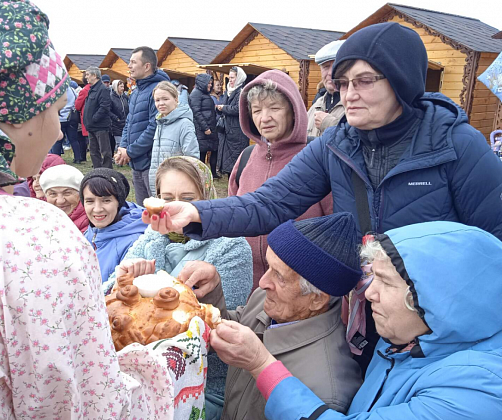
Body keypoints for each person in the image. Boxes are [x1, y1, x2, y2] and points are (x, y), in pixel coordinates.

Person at [142, 22, 502, 371]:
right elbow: (272, 201)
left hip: (442, 327)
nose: (349, 95)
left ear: (401, 81)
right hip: (365, 309)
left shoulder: (456, 144)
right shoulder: (337, 143)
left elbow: (494, 241)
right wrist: (197, 213)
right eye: (343, 83)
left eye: (364, 81)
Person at [0, 1, 209, 418]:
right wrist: (166, 364)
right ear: (17, 118)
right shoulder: (31, 232)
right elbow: (82, 401)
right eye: (54, 107)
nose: (57, 125)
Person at [211, 221, 502, 420]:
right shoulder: (400, 339)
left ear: (437, 300)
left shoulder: (477, 390)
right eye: (372, 277)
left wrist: (261, 365)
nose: (368, 293)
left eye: (385, 283)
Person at [110, 156, 252, 420]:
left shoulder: (231, 246)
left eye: (187, 198)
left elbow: (224, 333)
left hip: (204, 381)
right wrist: (123, 283)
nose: (175, 206)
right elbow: (108, 300)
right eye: (167, 197)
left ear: (206, 197)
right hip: (138, 374)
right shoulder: (153, 236)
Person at [196, 213, 363, 420]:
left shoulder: (326, 392)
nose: (262, 283)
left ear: (317, 299)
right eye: (269, 267)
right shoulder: (273, 300)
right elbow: (234, 326)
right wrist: (210, 291)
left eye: (279, 276)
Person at [231, 70, 333, 290]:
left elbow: (333, 226)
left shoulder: (317, 158)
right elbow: (231, 217)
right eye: (256, 110)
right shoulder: (246, 158)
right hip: (246, 286)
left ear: (293, 111)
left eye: (274, 108)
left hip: (298, 290)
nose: (264, 118)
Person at [116, 46, 169, 205]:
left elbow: (154, 127)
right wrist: (123, 147)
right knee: (142, 210)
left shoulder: (159, 91)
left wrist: (130, 151)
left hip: (151, 163)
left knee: (157, 209)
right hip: (136, 162)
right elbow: (129, 123)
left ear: (147, 66)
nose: (129, 66)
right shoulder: (137, 91)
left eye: (133, 62)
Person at [81, 168, 146, 283]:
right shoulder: (91, 232)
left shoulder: (133, 244)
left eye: (106, 200)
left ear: (119, 203)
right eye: (90, 201)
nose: (97, 209)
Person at [149, 81, 199, 196]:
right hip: (159, 183)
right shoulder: (160, 123)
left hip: (176, 187)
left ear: (176, 99)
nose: (161, 103)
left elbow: (192, 157)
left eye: (165, 99)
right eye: (157, 100)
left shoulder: (184, 124)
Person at [307, 40, 346, 140]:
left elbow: (359, 143)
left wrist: (329, 123)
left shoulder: (356, 105)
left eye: (336, 67)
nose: (330, 73)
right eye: (326, 67)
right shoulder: (315, 106)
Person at [216, 66, 249, 176]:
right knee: (228, 160)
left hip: (237, 131)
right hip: (227, 130)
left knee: (236, 160)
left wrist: (223, 108)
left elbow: (238, 109)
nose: (230, 80)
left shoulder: (242, 92)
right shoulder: (228, 91)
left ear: (239, 78)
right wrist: (220, 108)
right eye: (229, 77)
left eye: (232, 77)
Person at [39, 164, 88, 233]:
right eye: (53, 194)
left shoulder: (93, 223)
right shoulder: (38, 219)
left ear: (81, 194)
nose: (60, 201)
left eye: (67, 193)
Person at [189, 73, 220, 178]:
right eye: (209, 83)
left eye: (211, 83)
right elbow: (196, 112)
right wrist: (205, 127)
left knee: (214, 149)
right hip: (202, 129)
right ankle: (201, 174)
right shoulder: (195, 94)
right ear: (203, 83)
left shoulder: (205, 94)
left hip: (211, 127)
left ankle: (213, 174)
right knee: (202, 152)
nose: (210, 85)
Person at [83, 66, 113, 168]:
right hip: (91, 126)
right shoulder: (92, 89)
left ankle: (107, 171)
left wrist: (94, 119)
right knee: (93, 151)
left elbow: (104, 107)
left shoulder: (103, 89)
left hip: (100, 126)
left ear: (94, 75)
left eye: (87, 74)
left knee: (105, 152)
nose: (86, 77)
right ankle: (97, 171)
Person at [50, 79, 77, 156]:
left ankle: (56, 156)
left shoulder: (58, 91)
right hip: (70, 117)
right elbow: (76, 100)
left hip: (60, 118)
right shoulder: (72, 90)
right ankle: (78, 157)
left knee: (57, 139)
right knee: (73, 139)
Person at [109, 79, 129, 160]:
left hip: (125, 122)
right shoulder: (111, 98)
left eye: (123, 86)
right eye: (120, 86)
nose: (122, 88)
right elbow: (108, 111)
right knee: (119, 143)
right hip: (116, 124)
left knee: (125, 142)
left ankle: (123, 158)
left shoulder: (125, 97)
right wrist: (116, 118)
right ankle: (118, 159)